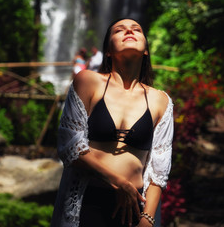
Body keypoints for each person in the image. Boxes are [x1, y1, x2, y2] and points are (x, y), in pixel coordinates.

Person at [51, 18, 174, 227]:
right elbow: (69, 146)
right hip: (87, 202)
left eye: (136, 29)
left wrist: (148, 218)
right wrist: (119, 182)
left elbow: (159, 171)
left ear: (146, 50)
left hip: (135, 208)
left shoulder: (161, 100)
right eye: (119, 30)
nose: (129, 31)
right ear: (108, 50)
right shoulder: (88, 82)